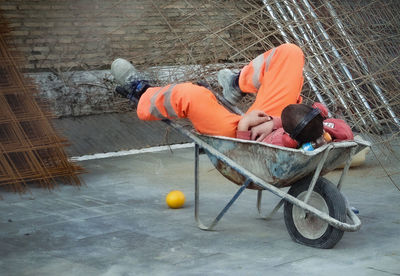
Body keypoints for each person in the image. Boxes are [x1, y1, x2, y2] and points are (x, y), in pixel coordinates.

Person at [111, 43, 353, 149]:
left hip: (241, 138)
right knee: (290, 53)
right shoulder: (325, 132)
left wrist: (247, 125)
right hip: (278, 118)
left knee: (194, 95)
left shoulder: (291, 145)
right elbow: (345, 132)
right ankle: (238, 83)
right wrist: (276, 122)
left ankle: (140, 92)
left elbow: (253, 150)